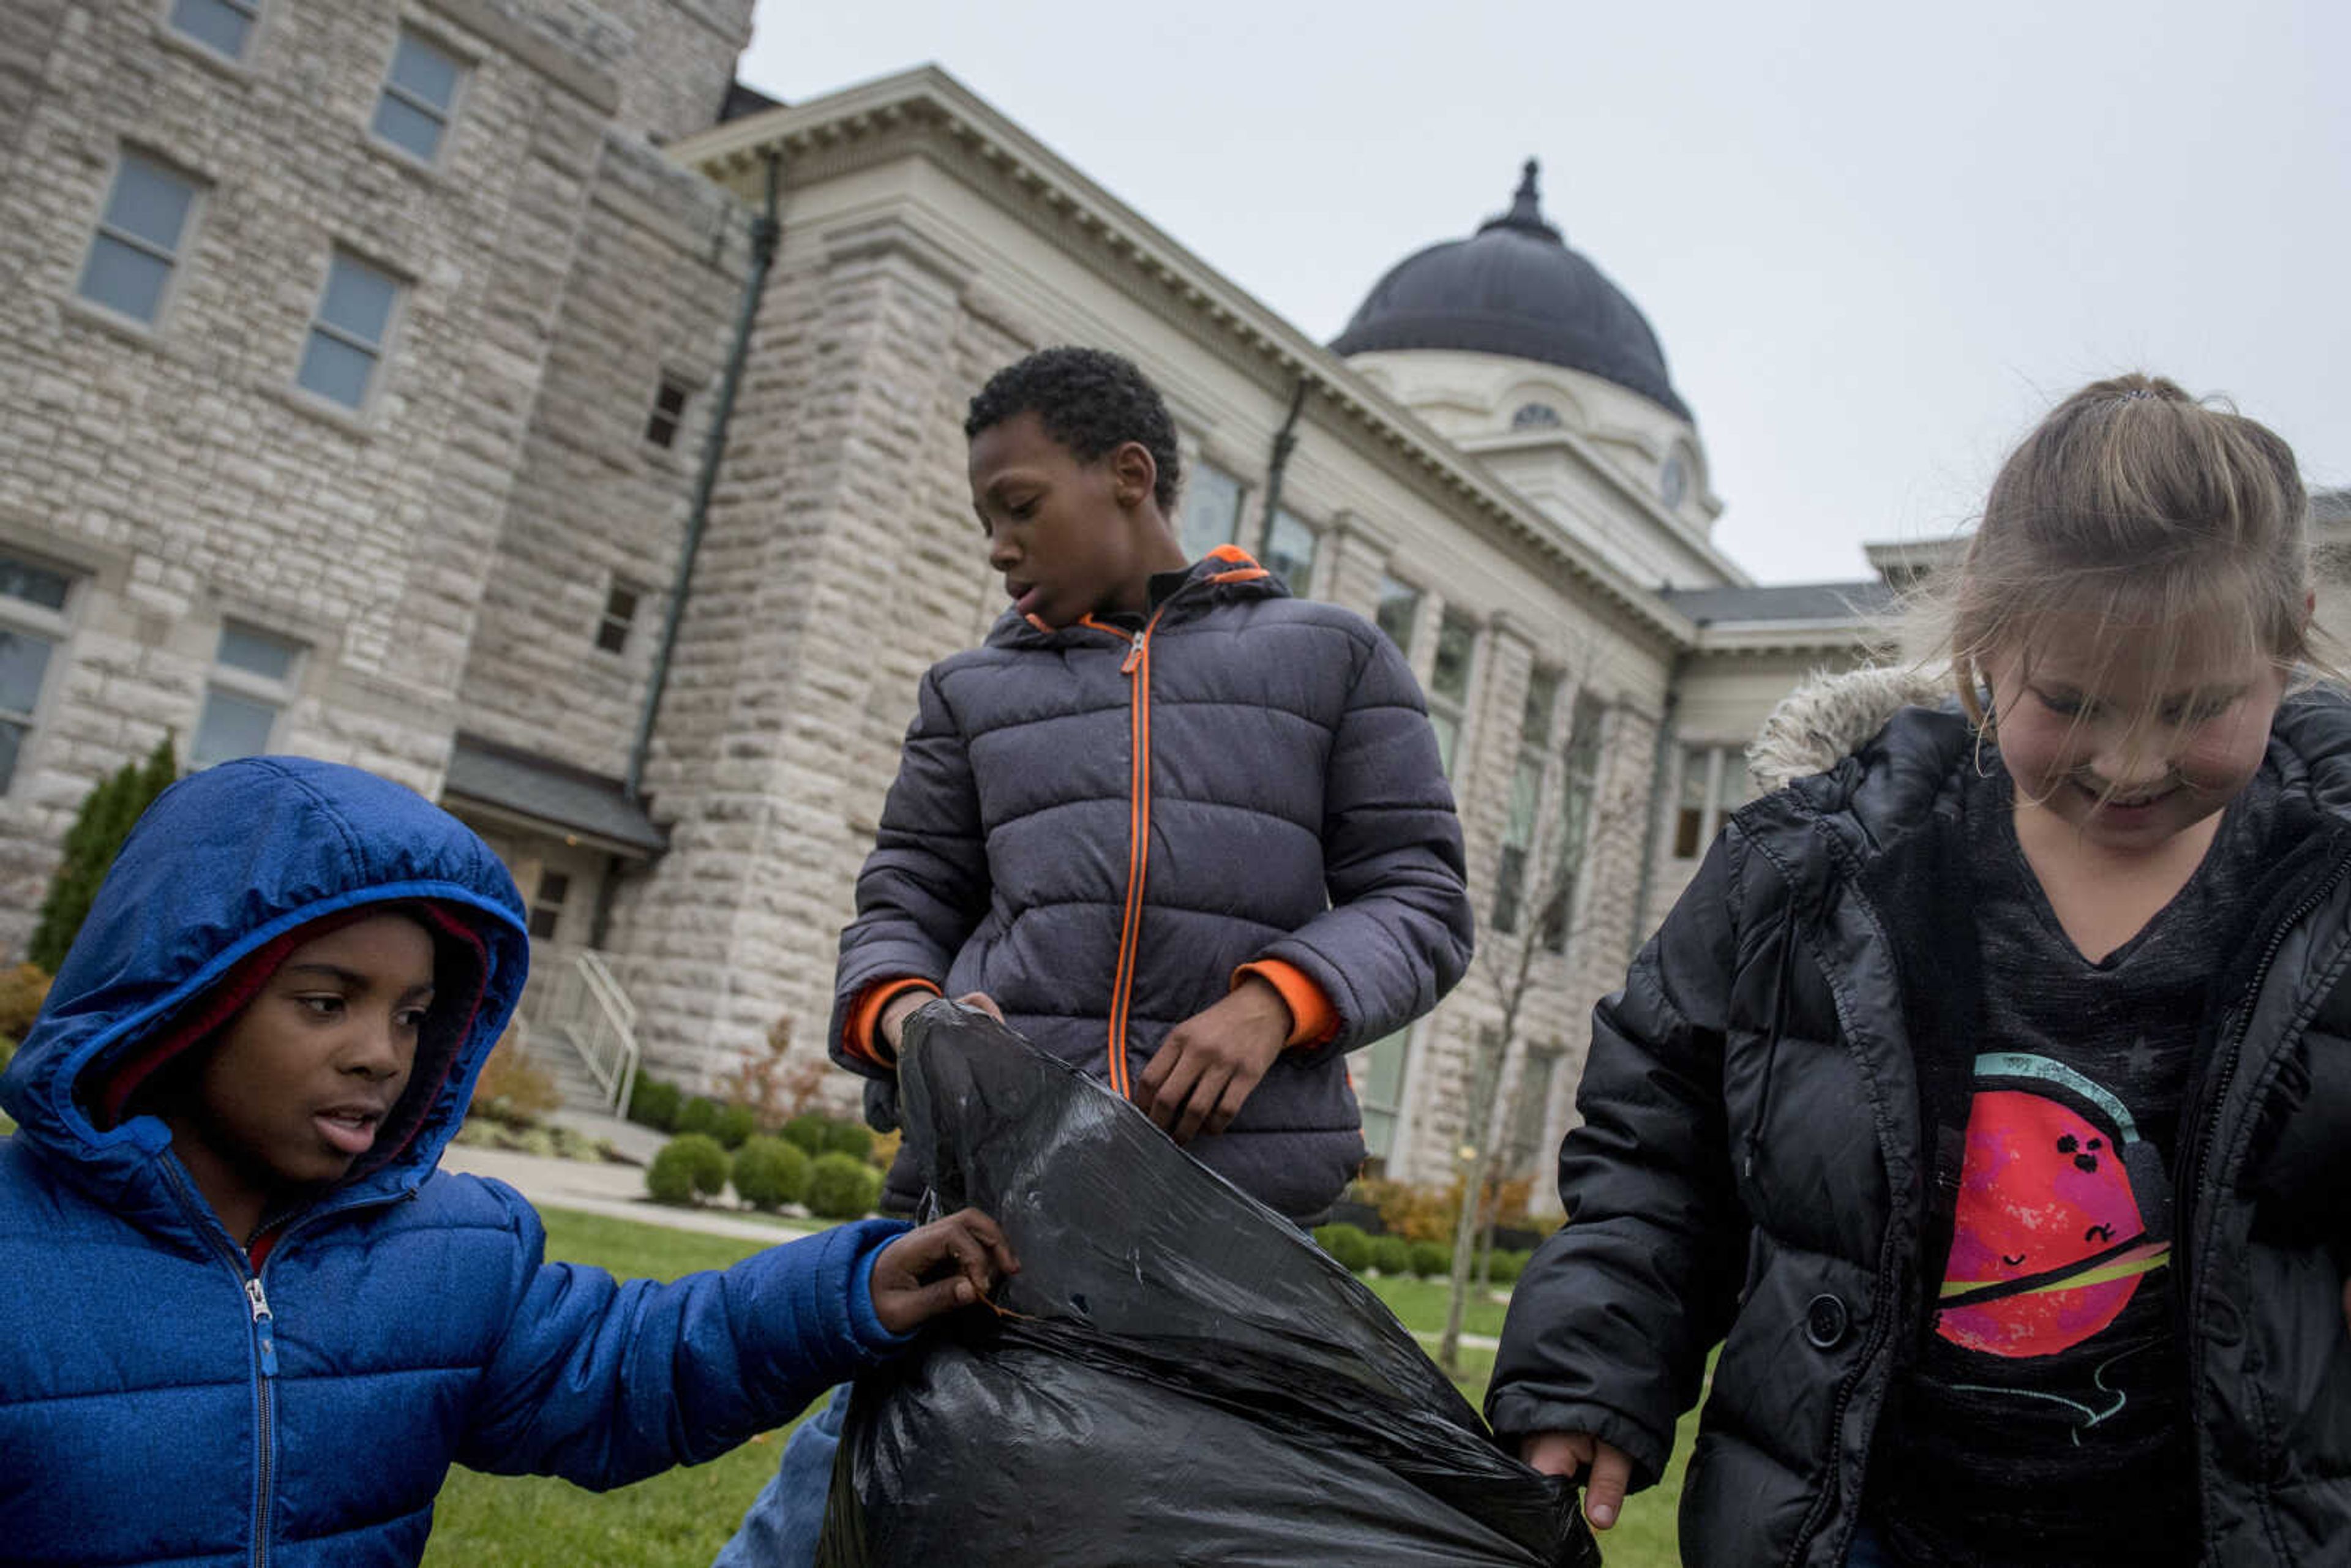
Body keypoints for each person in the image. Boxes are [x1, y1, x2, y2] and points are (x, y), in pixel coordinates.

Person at [1488, 373, 2351, 1566]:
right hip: (1861, 1529)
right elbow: (1658, 1140)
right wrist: (1596, 1363)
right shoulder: (1816, 869)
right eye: (2074, 702)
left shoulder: (2334, 887)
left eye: (2196, 706)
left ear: (2290, 634)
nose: (2129, 762)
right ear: (1983, 641)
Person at [716, 344, 1475, 1564]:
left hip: (1229, 1236)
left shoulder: (1331, 658)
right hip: (986, 1227)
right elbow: (901, 902)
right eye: (985, 519)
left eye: (1019, 507)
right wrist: (910, 1021)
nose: (999, 545)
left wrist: (1277, 1003)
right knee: (814, 1536)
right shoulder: (970, 694)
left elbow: (1423, 898)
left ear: (1130, 476)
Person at [0, 756, 1016, 1567]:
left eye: (411, 1015)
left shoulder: (448, 1253)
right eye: (325, 1001)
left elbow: (630, 1368)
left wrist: (847, 1289)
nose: (380, 1051)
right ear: (187, 1003)